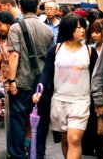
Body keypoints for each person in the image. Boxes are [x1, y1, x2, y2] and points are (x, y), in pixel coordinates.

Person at [32, 13, 98, 159]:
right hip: (59, 100)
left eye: (83, 27)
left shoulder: (89, 51)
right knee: (65, 140)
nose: (83, 31)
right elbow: (46, 73)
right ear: (69, 29)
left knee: (74, 139)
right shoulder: (55, 50)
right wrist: (39, 91)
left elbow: (97, 78)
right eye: (79, 27)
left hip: (81, 101)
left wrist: (100, 102)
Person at [6, 0, 54, 159]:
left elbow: (13, 55)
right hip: (40, 85)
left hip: (20, 82)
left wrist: (11, 80)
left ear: (21, 8)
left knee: (18, 122)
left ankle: (18, 154)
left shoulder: (15, 28)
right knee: (39, 122)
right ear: (37, 8)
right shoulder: (48, 30)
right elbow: (50, 59)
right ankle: (37, 153)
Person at [0, 10, 16, 116]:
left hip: (14, 74)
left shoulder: (15, 37)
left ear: (9, 24)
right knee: (7, 101)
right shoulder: (0, 38)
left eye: (0, 25)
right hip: (5, 72)